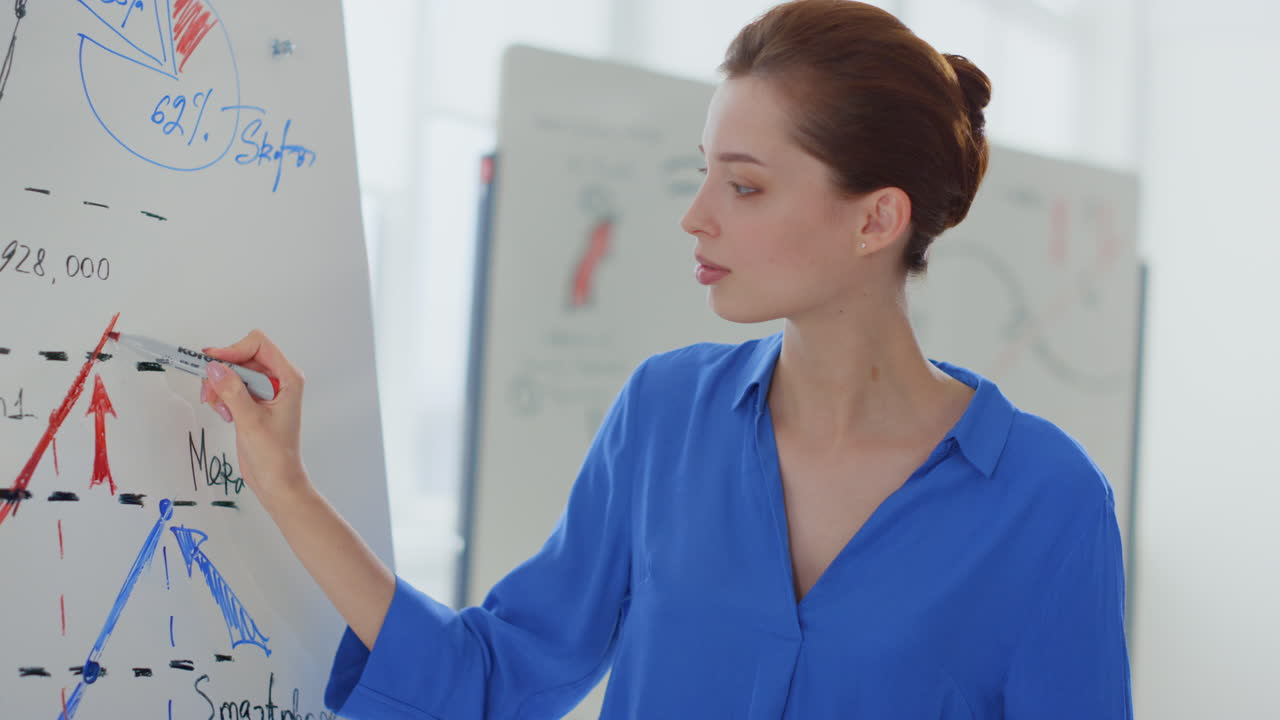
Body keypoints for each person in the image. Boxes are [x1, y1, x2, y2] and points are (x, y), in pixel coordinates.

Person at [201, 1, 1133, 717]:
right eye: (705, 172)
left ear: (877, 218)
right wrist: (284, 481)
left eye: (744, 185)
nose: (697, 215)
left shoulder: (1047, 502)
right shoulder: (664, 417)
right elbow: (491, 676)